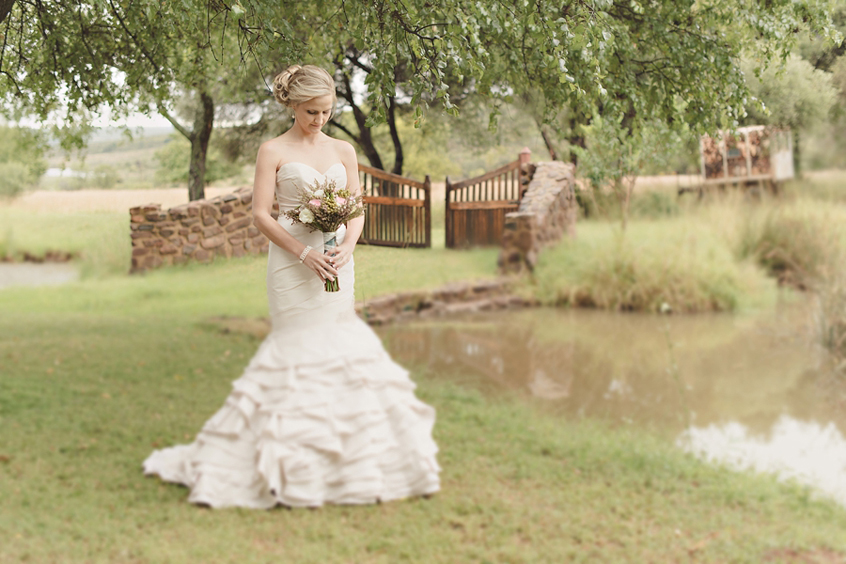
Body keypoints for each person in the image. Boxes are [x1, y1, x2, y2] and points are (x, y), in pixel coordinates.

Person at [142, 64, 441, 508]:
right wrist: (303, 253)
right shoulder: (273, 151)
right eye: (311, 111)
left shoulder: (343, 150)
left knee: (339, 356)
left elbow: (356, 208)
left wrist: (348, 247)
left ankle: (337, 463)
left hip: (336, 263)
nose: (319, 119)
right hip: (291, 265)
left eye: (326, 111)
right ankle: (286, 465)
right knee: (295, 357)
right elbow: (261, 214)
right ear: (293, 106)